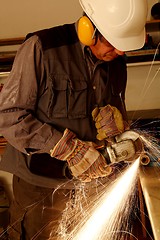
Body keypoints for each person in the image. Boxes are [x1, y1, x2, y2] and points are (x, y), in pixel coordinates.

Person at [0, 0, 148, 239]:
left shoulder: (116, 60)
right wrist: (68, 148)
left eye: (123, 46)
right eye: (114, 42)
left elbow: (113, 108)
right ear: (88, 28)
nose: (121, 52)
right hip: (42, 188)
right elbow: (9, 116)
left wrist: (117, 128)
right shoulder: (41, 48)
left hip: (91, 185)